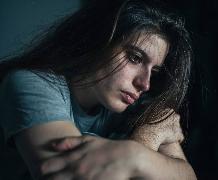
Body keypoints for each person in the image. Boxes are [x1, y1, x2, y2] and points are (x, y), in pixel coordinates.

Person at [0, 0, 196, 179]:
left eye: (154, 71)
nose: (145, 84)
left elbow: (188, 176)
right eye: (135, 58)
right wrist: (139, 148)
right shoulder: (30, 84)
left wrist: (136, 155)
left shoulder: (140, 108)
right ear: (98, 40)